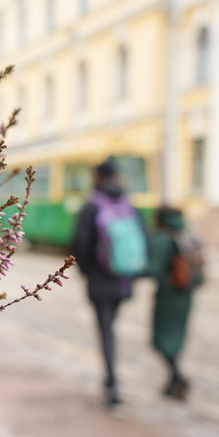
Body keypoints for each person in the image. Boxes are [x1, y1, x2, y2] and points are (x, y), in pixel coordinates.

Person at [72, 158, 146, 408]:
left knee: (106, 330)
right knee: (110, 326)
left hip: (100, 279)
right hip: (124, 279)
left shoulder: (92, 205)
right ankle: (110, 381)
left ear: (98, 176)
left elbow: (80, 244)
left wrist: (84, 271)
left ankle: (112, 384)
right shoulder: (129, 203)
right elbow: (142, 239)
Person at [145, 205, 204, 401]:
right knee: (175, 339)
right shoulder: (187, 235)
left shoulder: (163, 237)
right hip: (185, 295)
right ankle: (174, 380)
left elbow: (153, 269)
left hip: (168, 296)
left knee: (161, 340)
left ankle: (177, 377)